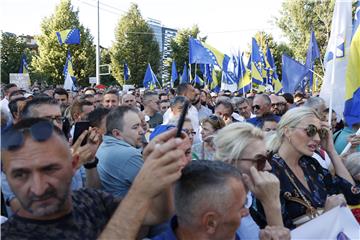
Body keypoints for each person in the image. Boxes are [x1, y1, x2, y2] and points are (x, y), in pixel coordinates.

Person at [1, 118, 186, 239]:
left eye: (50, 169)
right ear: (6, 178)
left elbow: (156, 214)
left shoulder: (89, 200)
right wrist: (140, 191)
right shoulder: (10, 236)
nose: (38, 188)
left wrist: (160, 164)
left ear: (74, 164)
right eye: (20, 175)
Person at [266, 107, 360, 229]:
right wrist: (327, 215)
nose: (317, 138)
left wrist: (331, 150)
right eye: (310, 130)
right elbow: (283, 232)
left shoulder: (310, 164)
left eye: (320, 132)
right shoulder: (269, 171)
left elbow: (353, 195)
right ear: (287, 131)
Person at [214, 122, 288, 239]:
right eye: (260, 160)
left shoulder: (248, 198)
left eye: (267, 157)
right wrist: (271, 205)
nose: (268, 167)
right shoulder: (219, 210)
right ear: (229, 163)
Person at [96, 106, 144, 198]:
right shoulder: (129, 155)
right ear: (117, 134)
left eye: (141, 125)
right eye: (135, 127)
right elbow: (158, 187)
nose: (141, 131)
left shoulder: (104, 144)